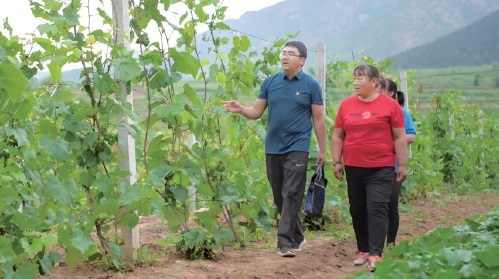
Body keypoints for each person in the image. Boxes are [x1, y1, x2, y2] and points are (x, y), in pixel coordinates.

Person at [222, 41, 327, 257]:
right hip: (273, 147)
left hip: (298, 146)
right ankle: (297, 236)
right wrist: (241, 109)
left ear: (302, 60)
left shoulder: (311, 85)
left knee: (291, 193)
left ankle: (285, 243)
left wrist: (323, 150)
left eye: (291, 54)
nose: (285, 57)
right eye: (283, 53)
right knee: (280, 196)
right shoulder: (270, 83)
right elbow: (256, 111)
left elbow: (318, 120)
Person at [331, 64, 407, 271]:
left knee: (377, 207)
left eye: (360, 78)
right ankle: (362, 250)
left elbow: (400, 137)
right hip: (354, 166)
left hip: (381, 166)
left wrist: (403, 164)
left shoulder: (390, 106)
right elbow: (338, 136)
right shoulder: (346, 106)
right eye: (354, 78)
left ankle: (376, 253)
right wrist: (336, 161)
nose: (355, 82)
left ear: (374, 81)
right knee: (357, 208)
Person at [384, 79, 417, 248]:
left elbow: (411, 135)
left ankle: (390, 243)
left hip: (395, 165)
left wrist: (396, 138)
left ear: (390, 93)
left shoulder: (402, 113)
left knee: (391, 204)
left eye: (381, 89)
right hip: (376, 164)